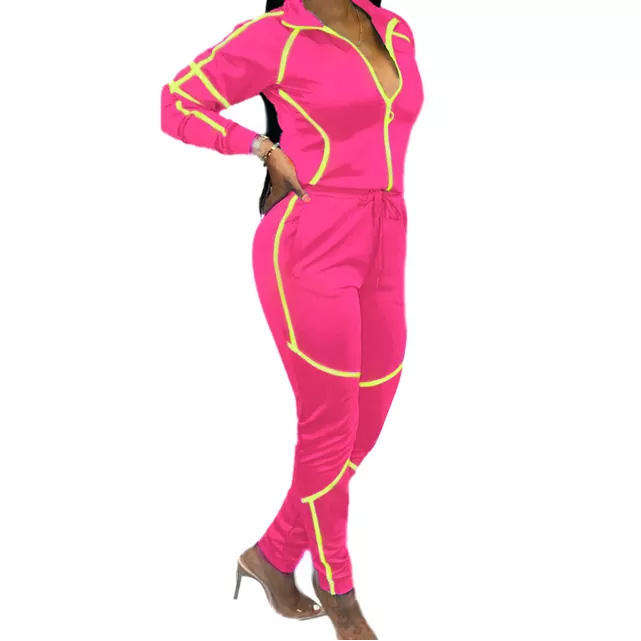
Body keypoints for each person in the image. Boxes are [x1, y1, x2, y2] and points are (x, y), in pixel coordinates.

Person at [160, 0, 424, 637]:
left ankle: (272, 555)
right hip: (310, 239)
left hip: (386, 234)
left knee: (367, 418)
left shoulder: (394, 29)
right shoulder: (275, 35)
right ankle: (339, 591)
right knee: (329, 428)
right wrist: (257, 146)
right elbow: (176, 103)